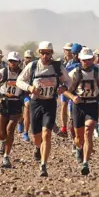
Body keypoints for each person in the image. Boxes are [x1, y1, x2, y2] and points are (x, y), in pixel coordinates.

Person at [16, 41, 71, 177]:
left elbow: (69, 81)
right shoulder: (33, 66)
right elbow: (19, 81)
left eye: (48, 53)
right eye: (43, 53)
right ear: (38, 53)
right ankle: (37, 147)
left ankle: (43, 165)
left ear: (52, 54)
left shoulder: (57, 67)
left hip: (50, 103)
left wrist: (64, 88)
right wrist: (29, 88)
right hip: (35, 103)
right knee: (37, 137)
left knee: (47, 133)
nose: (45, 56)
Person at [64, 48, 99, 175]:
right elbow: (64, 89)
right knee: (78, 137)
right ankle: (79, 148)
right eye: (85, 60)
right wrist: (73, 97)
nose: (87, 62)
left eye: (90, 59)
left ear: (93, 59)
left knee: (88, 130)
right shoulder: (75, 72)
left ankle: (85, 162)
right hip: (78, 106)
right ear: (80, 60)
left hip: (92, 104)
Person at [0, 52, 24, 168]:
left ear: (19, 62)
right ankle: (2, 142)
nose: (12, 63)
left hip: (16, 103)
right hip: (3, 103)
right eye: (11, 61)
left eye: (15, 61)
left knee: (10, 129)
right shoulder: (1, 73)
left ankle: (6, 156)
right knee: (0, 134)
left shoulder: (23, 74)